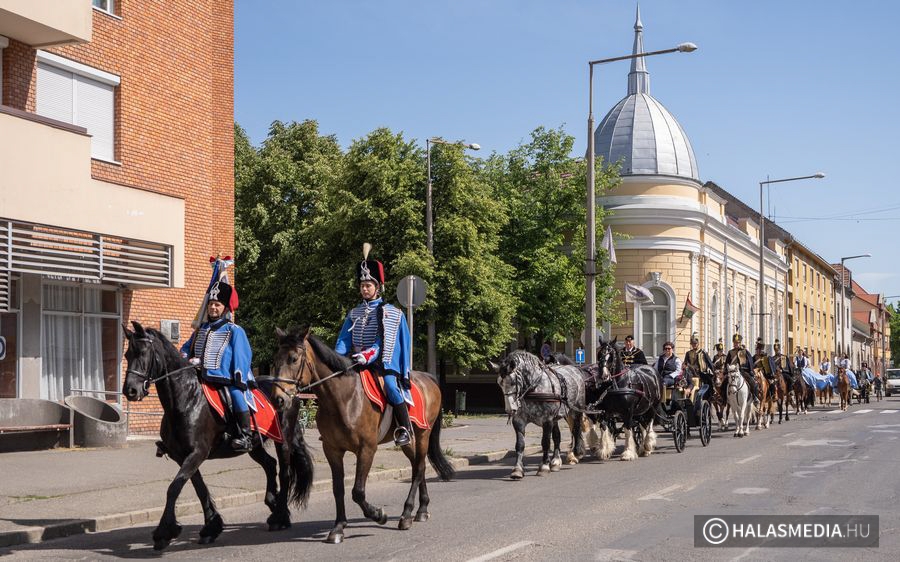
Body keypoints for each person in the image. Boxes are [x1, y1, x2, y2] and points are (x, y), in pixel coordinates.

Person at [336, 244, 414, 447]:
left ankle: (404, 427)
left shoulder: (390, 313)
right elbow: (343, 340)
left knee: (389, 385)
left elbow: (384, 342)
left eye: (369, 285)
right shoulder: (354, 313)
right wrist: (337, 359)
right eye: (362, 285)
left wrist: (367, 355)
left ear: (378, 287)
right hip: (356, 361)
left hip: (381, 363)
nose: (364, 288)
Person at [181, 280, 256, 452]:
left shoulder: (234, 330)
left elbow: (242, 355)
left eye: (217, 304)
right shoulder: (201, 329)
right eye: (211, 304)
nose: (213, 308)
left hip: (225, 376)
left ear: (225, 308)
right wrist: (186, 357)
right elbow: (186, 348)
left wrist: (238, 376)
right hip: (200, 375)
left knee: (236, 393)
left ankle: (245, 436)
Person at [726, 334, 760, 404]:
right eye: (735, 342)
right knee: (723, 384)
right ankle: (724, 399)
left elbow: (750, 361)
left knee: (753, 383)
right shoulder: (730, 352)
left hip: (743, 371)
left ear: (740, 343)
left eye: (737, 343)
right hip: (733, 372)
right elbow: (727, 362)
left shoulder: (744, 351)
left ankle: (755, 397)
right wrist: (725, 372)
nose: (736, 344)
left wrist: (751, 371)